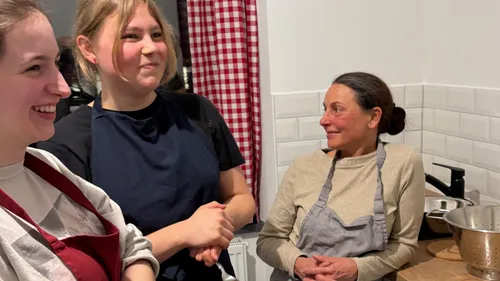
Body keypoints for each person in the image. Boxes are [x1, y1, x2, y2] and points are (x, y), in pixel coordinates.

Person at [35, 0, 256, 280]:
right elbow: (84, 261)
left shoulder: (197, 111)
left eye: (157, 34)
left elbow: (242, 200)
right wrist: (185, 233)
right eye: (131, 36)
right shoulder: (66, 143)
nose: (151, 48)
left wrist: (216, 226)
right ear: (89, 48)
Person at [0, 0, 159, 280]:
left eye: (56, 63)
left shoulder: (45, 167)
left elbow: (132, 245)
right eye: (35, 67)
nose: (63, 88)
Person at [257, 72, 426, 281]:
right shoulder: (304, 167)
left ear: (373, 117)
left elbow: (404, 244)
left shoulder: (403, 163)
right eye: (325, 109)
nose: (323, 120)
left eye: (337, 110)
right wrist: (301, 265)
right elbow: (268, 241)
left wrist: (357, 268)